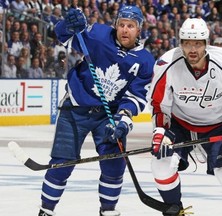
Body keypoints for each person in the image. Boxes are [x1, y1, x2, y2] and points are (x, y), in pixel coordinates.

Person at [38, 6, 155, 216]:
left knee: (114, 167)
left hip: (108, 116)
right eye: (121, 25)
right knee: (62, 164)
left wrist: (123, 119)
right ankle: (46, 210)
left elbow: (136, 95)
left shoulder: (145, 60)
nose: (125, 30)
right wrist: (68, 24)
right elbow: (63, 35)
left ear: (139, 30)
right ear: (115, 25)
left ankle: (107, 211)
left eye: (130, 26)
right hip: (75, 108)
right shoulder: (98, 35)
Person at [147, 18, 222, 216]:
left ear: (206, 44)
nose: (193, 49)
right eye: (187, 43)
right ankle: (176, 212)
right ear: (180, 43)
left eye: (198, 43)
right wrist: (161, 131)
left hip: (219, 124)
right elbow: (160, 104)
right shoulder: (166, 64)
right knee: (161, 164)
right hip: (180, 124)